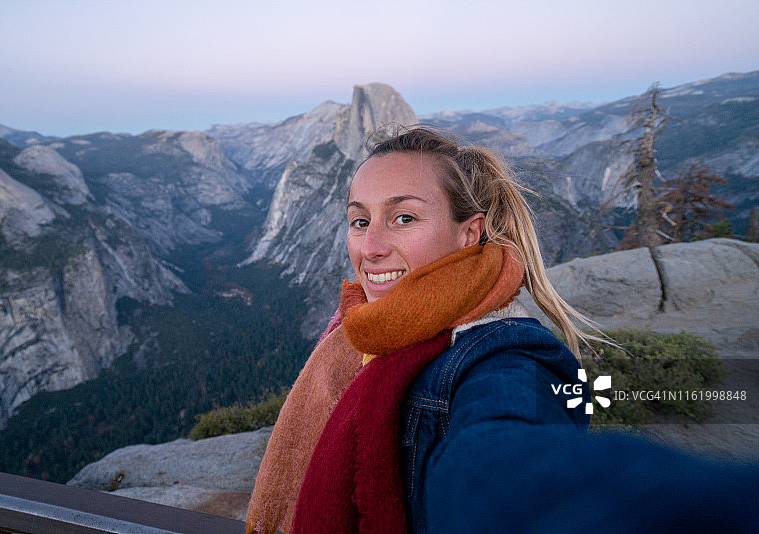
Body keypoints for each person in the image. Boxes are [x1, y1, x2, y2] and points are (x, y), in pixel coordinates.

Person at [245, 126, 759, 533]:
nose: (371, 247)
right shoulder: (363, 331)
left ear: (470, 232)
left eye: (403, 218)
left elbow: (502, 458)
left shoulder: (503, 355)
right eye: (360, 221)